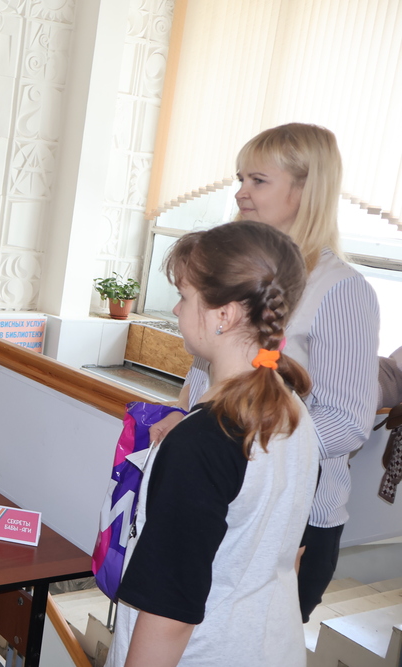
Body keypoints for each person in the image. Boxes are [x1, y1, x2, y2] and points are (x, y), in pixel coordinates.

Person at [149, 123, 381, 622]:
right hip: (219, 498)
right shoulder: (239, 271)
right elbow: (207, 375)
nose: (240, 193)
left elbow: (346, 422)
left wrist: (235, 449)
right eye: (240, 179)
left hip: (289, 518)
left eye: (257, 180)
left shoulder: (342, 290)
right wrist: (182, 417)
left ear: (306, 189)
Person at [107, 221, 319, 667]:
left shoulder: (203, 442)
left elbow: (170, 615)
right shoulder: (294, 413)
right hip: (269, 647)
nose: (176, 308)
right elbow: (288, 553)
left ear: (225, 315)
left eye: (185, 297)